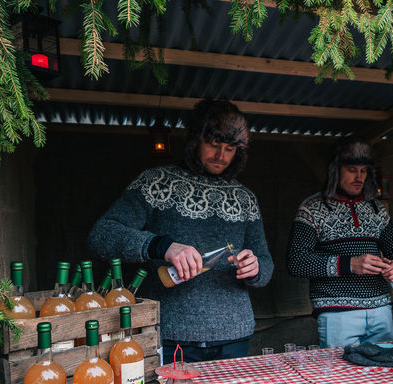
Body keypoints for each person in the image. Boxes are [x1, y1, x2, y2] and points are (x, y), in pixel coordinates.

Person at [87, 99, 273, 363]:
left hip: (234, 336)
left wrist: (254, 268)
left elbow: (266, 264)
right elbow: (101, 235)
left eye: (229, 148)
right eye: (213, 145)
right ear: (195, 140)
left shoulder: (245, 198)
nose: (221, 155)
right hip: (169, 334)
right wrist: (162, 246)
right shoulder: (156, 183)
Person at [286, 137, 393, 348]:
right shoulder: (312, 208)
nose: (359, 177)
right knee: (340, 375)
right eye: (352, 169)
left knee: (386, 372)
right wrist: (350, 264)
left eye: (363, 171)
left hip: (381, 310)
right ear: (335, 170)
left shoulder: (375, 208)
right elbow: (297, 261)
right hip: (337, 314)